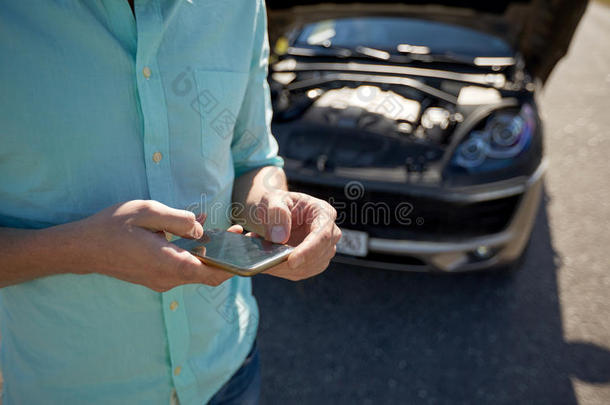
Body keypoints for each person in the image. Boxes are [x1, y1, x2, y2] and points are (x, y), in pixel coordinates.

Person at [0, 1, 340, 404]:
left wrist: (271, 201)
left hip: (228, 373)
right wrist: (82, 251)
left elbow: (252, 160)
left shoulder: (240, 8)